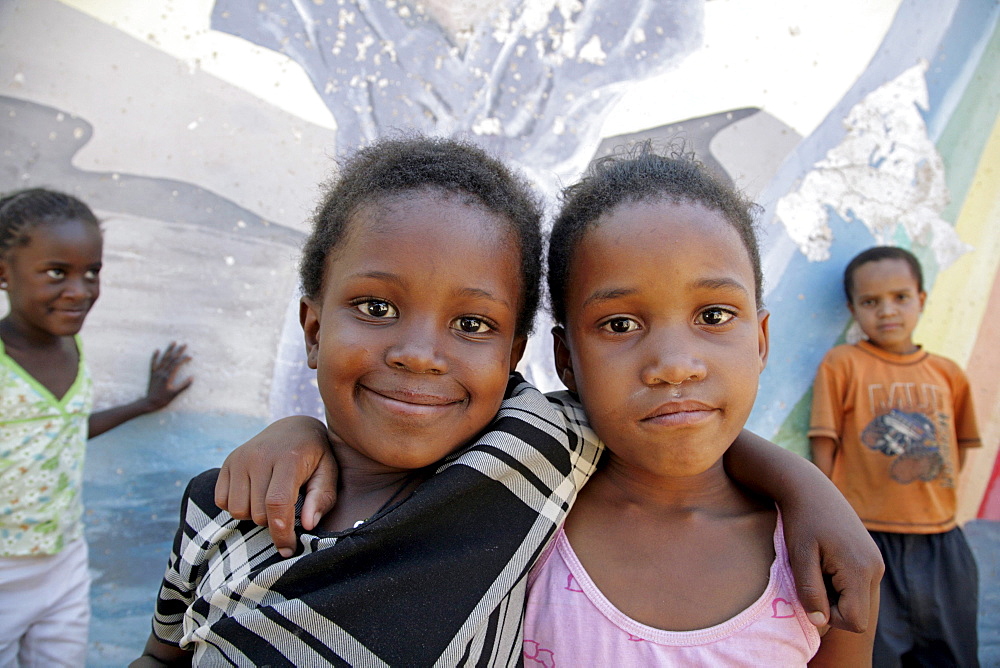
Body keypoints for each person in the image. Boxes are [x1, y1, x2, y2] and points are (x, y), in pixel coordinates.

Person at [137, 136, 881, 666]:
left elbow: (677, 436)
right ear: (563, 357)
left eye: (472, 324)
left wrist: (809, 489)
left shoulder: (525, 459)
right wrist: (292, 429)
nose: (421, 352)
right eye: (374, 306)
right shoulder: (218, 507)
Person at [518, 145, 875, 664]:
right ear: (565, 358)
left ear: (760, 340)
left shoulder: (821, 564)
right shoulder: (520, 526)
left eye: (712, 315)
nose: (675, 365)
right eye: (620, 324)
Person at [0, 188, 193, 667]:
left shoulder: (72, 349)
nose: (80, 290)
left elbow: (60, 431)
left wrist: (145, 404)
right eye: (56, 273)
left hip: (62, 561)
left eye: (92, 272)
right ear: (3, 273)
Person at [809, 245, 980, 667]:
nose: (887, 311)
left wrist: (933, 497)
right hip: (868, 540)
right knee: (874, 653)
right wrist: (826, 527)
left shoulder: (948, 373)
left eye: (900, 297)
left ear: (921, 300)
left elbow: (958, 445)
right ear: (853, 308)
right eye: (871, 302)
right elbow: (824, 446)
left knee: (951, 653)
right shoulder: (843, 364)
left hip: (942, 541)